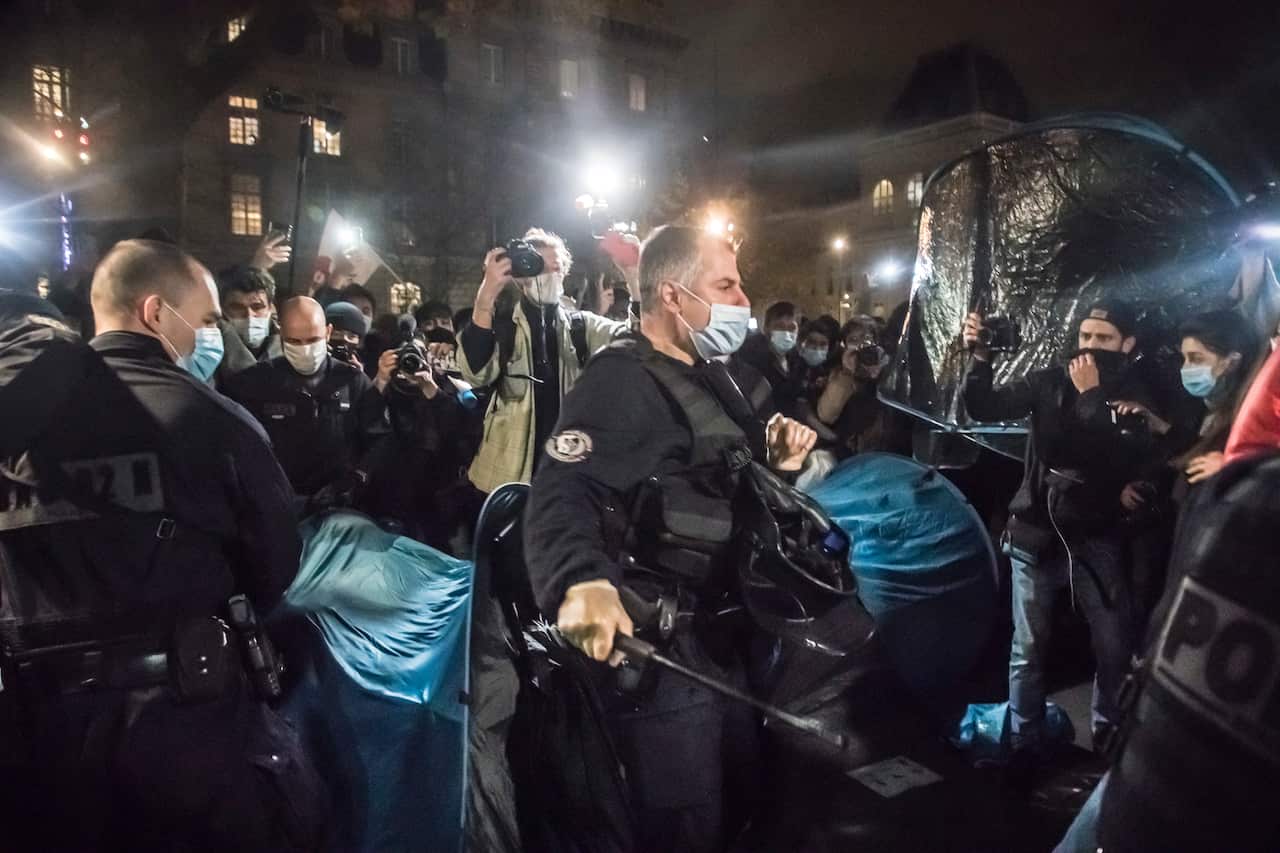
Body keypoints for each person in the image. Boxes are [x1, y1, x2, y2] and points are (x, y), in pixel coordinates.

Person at [0, 239, 322, 850]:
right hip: (187, 726)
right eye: (205, 321)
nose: (215, 335)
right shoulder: (214, 419)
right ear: (155, 314)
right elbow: (274, 564)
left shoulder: (15, 421)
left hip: (37, 736)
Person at [524, 225, 818, 852]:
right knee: (686, 820)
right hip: (666, 650)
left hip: (724, 633)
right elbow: (562, 491)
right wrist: (580, 581)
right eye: (725, 285)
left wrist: (778, 465)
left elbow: (720, 479)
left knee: (744, 794)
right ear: (672, 295)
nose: (742, 298)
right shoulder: (620, 382)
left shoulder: (712, 374)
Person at [962, 299, 1168, 755]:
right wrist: (979, 358)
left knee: (1113, 646)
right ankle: (1025, 738)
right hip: (1035, 532)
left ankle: (1107, 736)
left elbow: (1120, 456)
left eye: (1103, 339)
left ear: (1127, 344)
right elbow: (983, 406)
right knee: (1028, 649)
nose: (1091, 347)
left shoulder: (1135, 395)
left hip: (1098, 538)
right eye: (1085, 338)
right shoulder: (1049, 381)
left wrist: (1095, 397)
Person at [458, 228, 630, 494]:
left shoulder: (581, 326)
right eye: (538, 266)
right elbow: (475, 374)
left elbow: (639, 337)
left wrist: (634, 274)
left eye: (556, 267)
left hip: (568, 475)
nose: (549, 274)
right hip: (507, 477)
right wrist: (486, 295)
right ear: (519, 275)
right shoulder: (503, 326)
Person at [223, 296, 391, 503]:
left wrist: (357, 478)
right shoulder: (252, 384)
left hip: (339, 503)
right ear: (281, 333)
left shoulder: (353, 382)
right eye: (294, 341)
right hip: (274, 503)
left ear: (327, 332)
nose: (305, 349)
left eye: (313, 340)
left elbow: (380, 440)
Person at [816, 315, 910, 458]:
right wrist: (847, 373)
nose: (860, 345)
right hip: (852, 455)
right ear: (845, 346)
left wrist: (883, 373)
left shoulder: (891, 367)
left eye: (866, 339)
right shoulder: (839, 373)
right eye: (853, 340)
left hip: (888, 453)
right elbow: (826, 415)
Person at [736, 300, 805, 420]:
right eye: (779, 327)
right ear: (766, 328)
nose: (786, 333)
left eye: (791, 328)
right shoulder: (751, 359)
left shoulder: (796, 360)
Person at [325, 299, 371, 372]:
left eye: (351, 336)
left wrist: (359, 377)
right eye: (336, 334)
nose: (344, 339)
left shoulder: (360, 370)